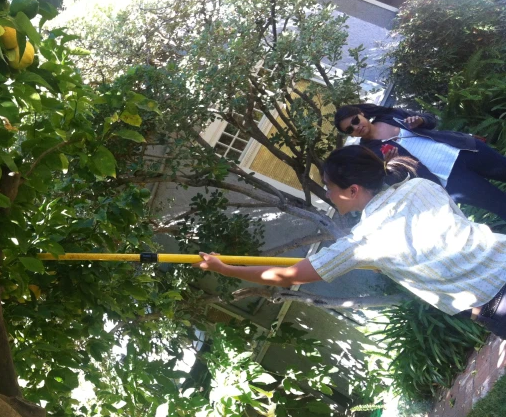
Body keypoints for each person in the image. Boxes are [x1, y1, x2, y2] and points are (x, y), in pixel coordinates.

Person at [194, 146, 506, 339]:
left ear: (353, 190)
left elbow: (289, 275)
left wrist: (226, 269)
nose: (328, 195)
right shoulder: (421, 185)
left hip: (492, 302)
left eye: (330, 188)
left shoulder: (363, 240)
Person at [334, 103, 506, 222]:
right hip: (450, 180)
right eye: (350, 129)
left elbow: (431, 120)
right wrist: (390, 165)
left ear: (361, 114)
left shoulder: (390, 116)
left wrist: (421, 121)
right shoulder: (369, 153)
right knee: (499, 204)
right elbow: (396, 180)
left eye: (355, 120)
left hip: (464, 151)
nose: (356, 127)